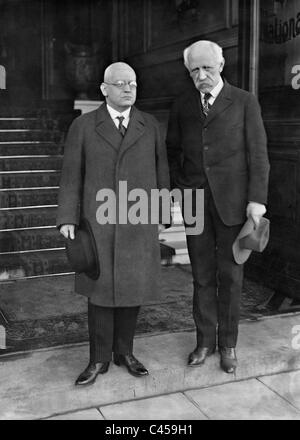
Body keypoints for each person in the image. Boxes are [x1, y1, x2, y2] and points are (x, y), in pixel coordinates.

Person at [57, 62, 170, 386]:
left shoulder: (149, 125)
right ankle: (98, 359)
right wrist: (67, 217)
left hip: (138, 221)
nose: (128, 89)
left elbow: (162, 172)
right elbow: (70, 175)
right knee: (100, 292)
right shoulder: (84, 126)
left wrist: (163, 214)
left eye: (133, 83)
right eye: (120, 84)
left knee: (133, 290)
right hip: (98, 224)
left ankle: (125, 352)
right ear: (104, 89)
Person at [166, 40, 270, 373]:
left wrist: (256, 201)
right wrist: (180, 189)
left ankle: (228, 345)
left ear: (221, 65)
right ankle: (204, 343)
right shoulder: (182, 105)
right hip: (194, 201)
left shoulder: (244, 101)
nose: (202, 75)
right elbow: (172, 151)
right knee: (200, 275)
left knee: (231, 275)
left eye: (207, 68)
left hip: (235, 204)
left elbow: (258, 155)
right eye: (195, 69)